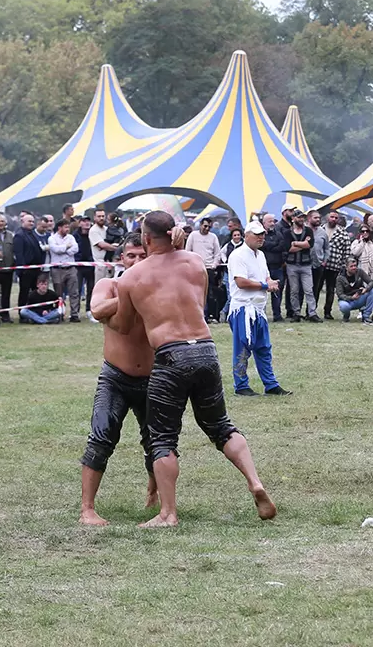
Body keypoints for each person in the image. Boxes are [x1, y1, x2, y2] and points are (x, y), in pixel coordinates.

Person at [109, 210, 276, 528]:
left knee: (162, 438)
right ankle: (254, 481)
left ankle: (168, 514)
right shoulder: (195, 263)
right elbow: (197, 304)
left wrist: (106, 305)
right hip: (205, 350)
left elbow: (123, 325)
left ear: (144, 239)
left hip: (170, 356)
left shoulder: (132, 277)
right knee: (221, 426)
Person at [80, 234, 155, 525]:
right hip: (115, 376)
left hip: (153, 376)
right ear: (121, 259)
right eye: (131, 256)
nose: (136, 261)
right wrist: (127, 293)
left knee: (158, 442)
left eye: (142, 256)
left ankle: (153, 494)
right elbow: (97, 310)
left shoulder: (158, 288)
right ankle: (87, 508)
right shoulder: (108, 285)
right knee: (101, 436)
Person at [226, 221, 294, 397]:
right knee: (243, 347)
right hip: (243, 307)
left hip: (258, 307)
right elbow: (241, 282)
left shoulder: (261, 255)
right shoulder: (238, 255)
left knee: (264, 347)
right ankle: (241, 385)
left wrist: (270, 281)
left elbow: (264, 275)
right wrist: (265, 285)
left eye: (263, 234)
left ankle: (270, 384)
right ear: (246, 235)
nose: (261, 237)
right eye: (257, 234)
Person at [282, 210, 320, 322]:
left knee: (309, 290)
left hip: (306, 264)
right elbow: (288, 248)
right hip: (292, 265)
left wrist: (295, 243)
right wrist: (303, 244)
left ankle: (312, 313)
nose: (301, 220)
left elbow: (310, 244)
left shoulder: (308, 230)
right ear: (293, 219)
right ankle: (296, 313)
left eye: (303, 217)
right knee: (294, 290)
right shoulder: (287, 232)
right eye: (299, 217)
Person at [185, 217, 225, 323]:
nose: (207, 229)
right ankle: (198, 315)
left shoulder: (213, 237)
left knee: (210, 293)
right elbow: (187, 251)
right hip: (195, 268)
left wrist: (214, 265)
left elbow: (217, 253)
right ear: (201, 225)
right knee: (195, 293)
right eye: (205, 226)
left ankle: (210, 315)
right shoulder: (193, 235)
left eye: (209, 227)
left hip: (209, 269)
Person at [13, 214, 47, 320]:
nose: (31, 223)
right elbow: (19, 254)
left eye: (32, 221)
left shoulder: (32, 234)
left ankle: (35, 312)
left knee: (35, 292)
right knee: (24, 292)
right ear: (22, 221)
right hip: (26, 270)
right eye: (29, 221)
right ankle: (22, 314)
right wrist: (22, 269)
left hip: (35, 269)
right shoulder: (19, 235)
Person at [48, 218, 81, 322]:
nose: (68, 229)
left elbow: (75, 249)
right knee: (59, 293)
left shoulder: (71, 237)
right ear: (59, 228)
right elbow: (55, 250)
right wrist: (66, 247)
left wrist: (63, 249)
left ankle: (74, 314)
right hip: (57, 269)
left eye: (68, 227)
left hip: (71, 268)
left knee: (74, 293)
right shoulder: (52, 238)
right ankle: (59, 313)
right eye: (66, 227)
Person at [260, 213, 290, 322]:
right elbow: (262, 245)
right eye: (270, 221)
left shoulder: (279, 234)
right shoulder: (260, 235)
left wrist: (268, 245)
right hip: (264, 268)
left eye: (273, 221)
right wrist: (273, 245)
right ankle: (261, 315)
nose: (272, 223)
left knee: (277, 292)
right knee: (261, 292)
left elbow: (282, 246)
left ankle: (277, 315)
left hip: (277, 267)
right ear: (264, 223)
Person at [322, 211, 351, 320]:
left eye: (336, 217)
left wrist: (343, 266)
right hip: (320, 265)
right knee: (315, 288)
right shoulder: (320, 229)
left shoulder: (343, 233)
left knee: (331, 290)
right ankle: (311, 312)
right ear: (327, 218)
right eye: (332, 217)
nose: (333, 219)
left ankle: (327, 312)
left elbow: (346, 252)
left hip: (335, 266)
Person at [336, 257, 373, 322]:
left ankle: (366, 316)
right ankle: (346, 316)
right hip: (347, 300)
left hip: (359, 297)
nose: (354, 268)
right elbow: (340, 295)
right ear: (346, 267)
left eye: (355, 266)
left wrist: (366, 289)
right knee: (344, 306)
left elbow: (371, 282)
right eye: (351, 266)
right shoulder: (340, 278)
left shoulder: (359, 272)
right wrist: (351, 297)